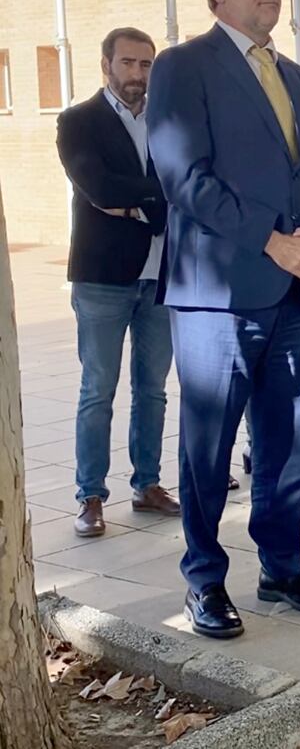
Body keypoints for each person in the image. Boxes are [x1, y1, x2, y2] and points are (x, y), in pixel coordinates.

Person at [148, 0, 300, 639]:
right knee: (207, 449)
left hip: (293, 293)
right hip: (218, 296)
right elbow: (183, 176)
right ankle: (204, 579)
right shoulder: (182, 67)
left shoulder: (298, 79)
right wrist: (274, 240)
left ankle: (281, 566)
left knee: (287, 442)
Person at [58, 27, 179, 538]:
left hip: (162, 276)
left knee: (152, 390)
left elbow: (187, 181)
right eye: (128, 63)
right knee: (98, 390)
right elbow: (98, 185)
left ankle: (147, 484)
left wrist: (134, 201)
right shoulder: (77, 121)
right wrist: (155, 196)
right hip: (103, 278)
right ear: (106, 64)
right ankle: (90, 495)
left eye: (146, 64)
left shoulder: (170, 120)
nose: (137, 74)